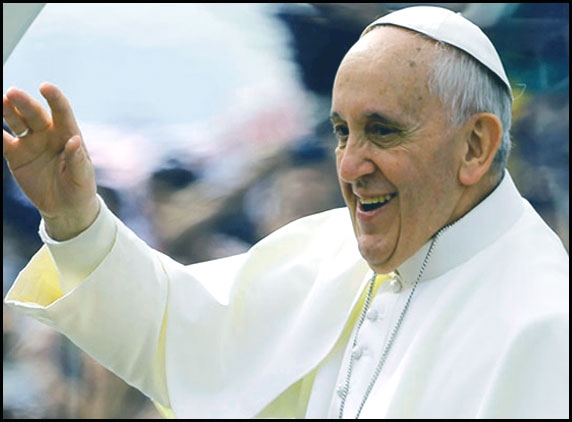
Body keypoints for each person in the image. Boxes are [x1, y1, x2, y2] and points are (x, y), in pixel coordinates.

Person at [3, 5, 568, 419]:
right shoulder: (331, 250)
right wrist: (75, 217)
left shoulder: (547, 324)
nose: (349, 166)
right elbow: (178, 328)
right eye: (342, 133)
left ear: (475, 146)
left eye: (382, 131)